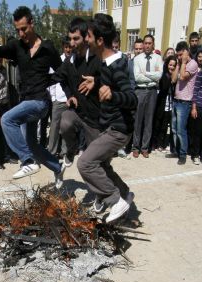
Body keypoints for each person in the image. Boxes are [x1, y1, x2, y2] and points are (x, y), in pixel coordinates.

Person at [0, 6, 64, 187]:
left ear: (32, 23)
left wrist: (48, 81)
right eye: (18, 30)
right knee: (33, 144)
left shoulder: (48, 47)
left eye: (24, 28)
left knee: (6, 119)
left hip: (40, 102)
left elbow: (62, 71)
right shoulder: (16, 46)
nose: (21, 33)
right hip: (26, 101)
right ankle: (57, 168)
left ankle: (27, 161)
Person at [80, 13, 138, 223]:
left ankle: (115, 201)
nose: (86, 40)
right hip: (111, 127)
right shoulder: (105, 62)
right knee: (101, 165)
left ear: (100, 40)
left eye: (88, 36)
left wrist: (114, 95)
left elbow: (132, 99)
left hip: (119, 129)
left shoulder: (117, 65)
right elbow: (109, 83)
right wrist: (96, 83)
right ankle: (124, 194)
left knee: (85, 163)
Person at [52, 17, 102, 169]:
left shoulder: (97, 58)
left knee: (97, 164)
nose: (71, 43)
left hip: (94, 119)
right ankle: (71, 150)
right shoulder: (69, 61)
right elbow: (59, 78)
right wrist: (70, 95)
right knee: (65, 121)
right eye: (70, 39)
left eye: (76, 39)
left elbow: (111, 81)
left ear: (86, 37)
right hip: (77, 112)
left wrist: (97, 81)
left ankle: (117, 192)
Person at [132, 34, 163, 158]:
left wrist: (145, 73)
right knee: (138, 120)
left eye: (150, 43)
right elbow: (137, 77)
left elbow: (159, 76)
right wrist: (152, 76)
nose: (147, 45)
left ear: (153, 44)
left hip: (152, 91)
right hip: (140, 91)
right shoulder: (137, 59)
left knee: (149, 120)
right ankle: (136, 147)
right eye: (145, 43)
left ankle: (145, 147)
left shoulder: (158, 58)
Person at [170, 41, 199, 165]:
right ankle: (177, 151)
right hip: (176, 100)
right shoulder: (180, 63)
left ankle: (183, 154)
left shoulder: (192, 64)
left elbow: (182, 77)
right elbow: (173, 79)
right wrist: (178, 64)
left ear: (186, 52)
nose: (179, 57)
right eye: (178, 55)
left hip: (185, 101)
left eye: (181, 54)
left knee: (181, 130)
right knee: (174, 129)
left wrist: (183, 62)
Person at [47, 36, 72, 158]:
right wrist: (53, 98)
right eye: (66, 47)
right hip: (58, 99)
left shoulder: (74, 60)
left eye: (70, 47)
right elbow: (52, 82)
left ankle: (65, 152)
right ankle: (51, 152)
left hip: (70, 100)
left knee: (67, 128)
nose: (68, 49)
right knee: (54, 128)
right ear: (63, 48)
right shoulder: (58, 61)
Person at [152, 55, 177, 152]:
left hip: (170, 105)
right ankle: (154, 143)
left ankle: (161, 144)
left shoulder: (175, 76)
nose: (171, 67)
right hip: (161, 103)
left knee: (164, 126)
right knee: (157, 124)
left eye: (173, 66)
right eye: (170, 65)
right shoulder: (163, 75)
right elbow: (165, 86)